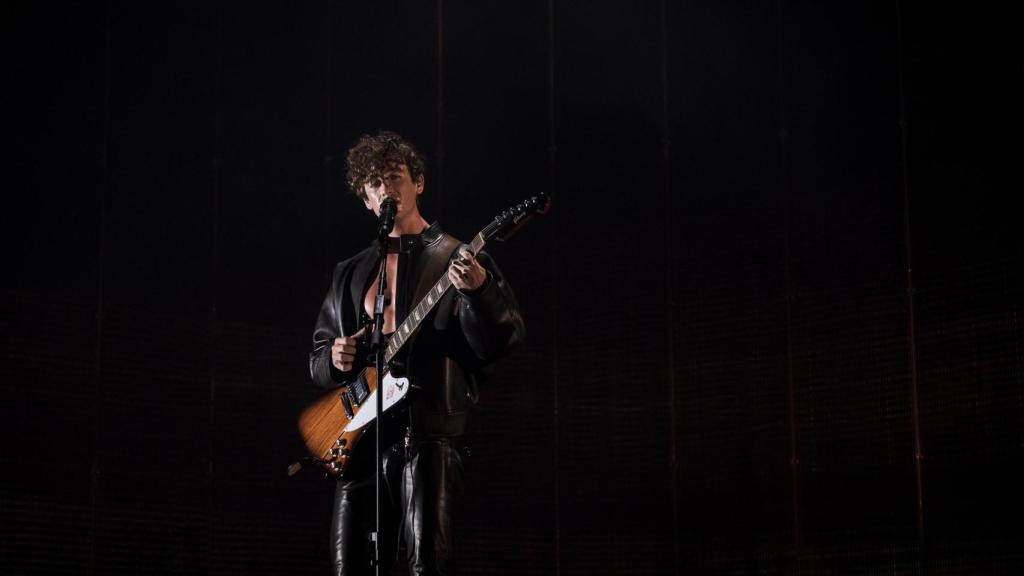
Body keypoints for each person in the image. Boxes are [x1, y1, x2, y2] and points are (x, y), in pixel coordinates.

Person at [309, 131, 525, 576]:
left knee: (426, 565)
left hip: (427, 437)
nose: (386, 187)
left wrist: (478, 291)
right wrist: (336, 357)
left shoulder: (455, 257)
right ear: (367, 200)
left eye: (394, 176)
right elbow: (317, 359)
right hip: (361, 443)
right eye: (375, 182)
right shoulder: (348, 273)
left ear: (418, 182)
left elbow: (502, 339)